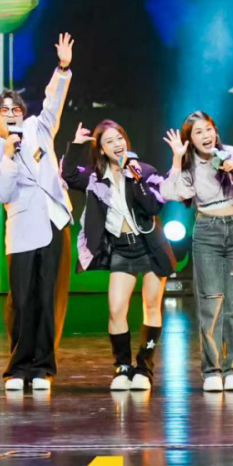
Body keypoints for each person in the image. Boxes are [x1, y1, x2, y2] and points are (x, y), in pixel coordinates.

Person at [0, 33, 74, 392]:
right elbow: (1, 192)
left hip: (53, 221)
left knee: (49, 298)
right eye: (4, 111)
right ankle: (18, 367)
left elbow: (53, 102)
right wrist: (8, 155)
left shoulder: (38, 128)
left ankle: (43, 367)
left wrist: (62, 68)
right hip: (20, 231)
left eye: (16, 109)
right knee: (20, 300)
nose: (12, 114)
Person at [61, 119, 175, 390]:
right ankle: (122, 367)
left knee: (151, 306)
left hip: (149, 246)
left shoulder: (144, 170)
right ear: (101, 149)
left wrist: (135, 177)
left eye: (120, 138)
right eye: (109, 141)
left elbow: (153, 206)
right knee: (115, 309)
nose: (117, 144)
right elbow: (69, 175)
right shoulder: (95, 177)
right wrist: (76, 145)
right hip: (122, 248)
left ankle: (144, 368)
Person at [161, 113, 233, 392]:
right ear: (190, 140)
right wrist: (177, 159)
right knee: (210, 303)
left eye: (208, 129)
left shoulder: (232, 155)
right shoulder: (189, 164)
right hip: (207, 231)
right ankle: (212, 371)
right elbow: (170, 192)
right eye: (198, 132)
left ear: (215, 131)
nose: (205, 136)